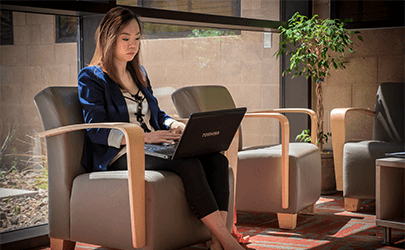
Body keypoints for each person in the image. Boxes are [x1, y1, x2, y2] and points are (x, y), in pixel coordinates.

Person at [78, 6, 245, 250]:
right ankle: (227, 240)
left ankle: (216, 242)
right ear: (108, 38)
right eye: (125, 39)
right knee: (188, 163)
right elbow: (95, 130)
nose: (132, 45)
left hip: (154, 146)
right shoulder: (92, 77)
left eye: (136, 39)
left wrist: (173, 124)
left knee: (216, 159)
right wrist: (146, 137)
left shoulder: (138, 73)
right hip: (122, 154)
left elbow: (156, 114)